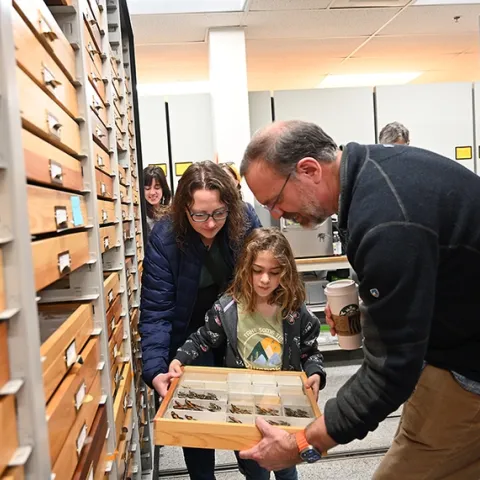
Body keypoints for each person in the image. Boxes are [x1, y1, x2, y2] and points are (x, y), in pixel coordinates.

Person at [237, 120, 480, 479]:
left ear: (309, 169)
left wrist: (305, 442)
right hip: (449, 347)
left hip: (466, 368)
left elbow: (390, 371)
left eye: (275, 200)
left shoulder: (386, 221)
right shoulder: (373, 171)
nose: (275, 214)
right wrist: (372, 317)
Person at [157, 227, 326, 480]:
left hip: (284, 407)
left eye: (274, 272)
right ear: (246, 269)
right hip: (244, 408)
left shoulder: (294, 310)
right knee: (255, 469)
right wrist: (180, 358)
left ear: (286, 272)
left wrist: (315, 374)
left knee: (286, 468)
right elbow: (204, 337)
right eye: (257, 271)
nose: (265, 279)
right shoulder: (228, 308)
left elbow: (310, 351)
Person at [139, 161, 261, 480]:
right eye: (200, 215)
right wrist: (155, 370)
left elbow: (268, 283)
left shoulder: (246, 221)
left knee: (249, 429)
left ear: (230, 207)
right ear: (183, 210)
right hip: (190, 338)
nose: (209, 224)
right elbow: (156, 311)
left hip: (241, 333)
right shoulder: (165, 238)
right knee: (197, 430)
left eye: (218, 213)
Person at [143, 165, 172, 235]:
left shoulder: (171, 214)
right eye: (147, 188)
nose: (152, 192)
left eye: (157, 187)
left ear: (163, 189)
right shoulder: (141, 216)